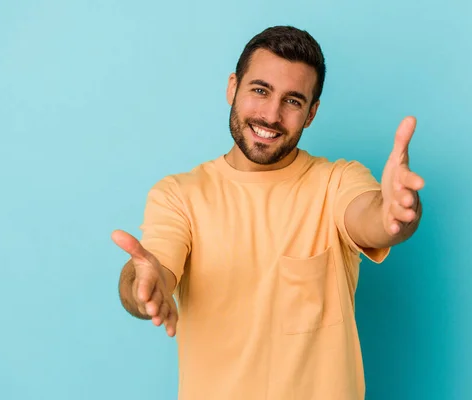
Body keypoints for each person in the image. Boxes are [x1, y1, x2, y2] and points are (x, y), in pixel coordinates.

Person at [111, 25, 424, 400]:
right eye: (260, 90)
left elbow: (371, 219)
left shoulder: (336, 181)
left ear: (311, 114)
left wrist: (396, 211)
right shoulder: (180, 195)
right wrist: (144, 286)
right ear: (232, 87)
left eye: (293, 101)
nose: (271, 115)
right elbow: (155, 265)